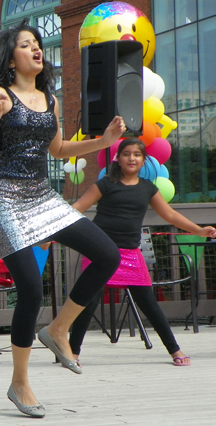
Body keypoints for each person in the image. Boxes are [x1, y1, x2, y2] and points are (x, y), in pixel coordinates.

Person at [0, 20, 126, 418]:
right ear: (10, 58)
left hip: (41, 195)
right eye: (26, 44)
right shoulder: (0, 94)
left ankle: (59, 330)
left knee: (107, 255)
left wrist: (104, 141)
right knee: (31, 288)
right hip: (3, 197)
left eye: (37, 44)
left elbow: (60, 148)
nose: (36, 49)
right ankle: (20, 382)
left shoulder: (49, 97)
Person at [69, 138, 216, 367]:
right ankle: (72, 353)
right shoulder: (106, 183)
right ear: (118, 158)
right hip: (100, 252)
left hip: (130, 254)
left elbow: (170, 215)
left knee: (149, 303)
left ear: (143, 159)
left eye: (136, 155)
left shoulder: (148, 188)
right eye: (126, 154)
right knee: (88, 301)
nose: (131, 158)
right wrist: (52, 231)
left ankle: (174, 349)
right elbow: (78, 206)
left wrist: (198, 229)